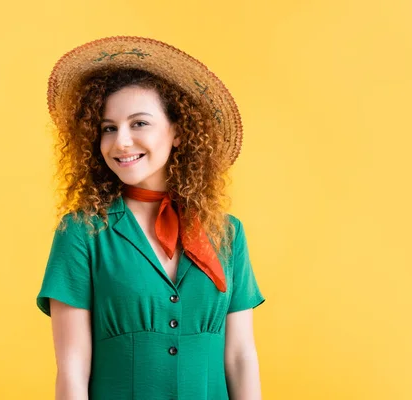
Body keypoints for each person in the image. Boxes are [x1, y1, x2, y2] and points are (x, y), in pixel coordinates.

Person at [35, 36, 265, 400]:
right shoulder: (82, 232)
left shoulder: (227, 234)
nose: (121, 142)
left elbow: (240, 357)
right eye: (109, 128)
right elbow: (72, 368)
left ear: (178, 133)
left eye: (138, 123)